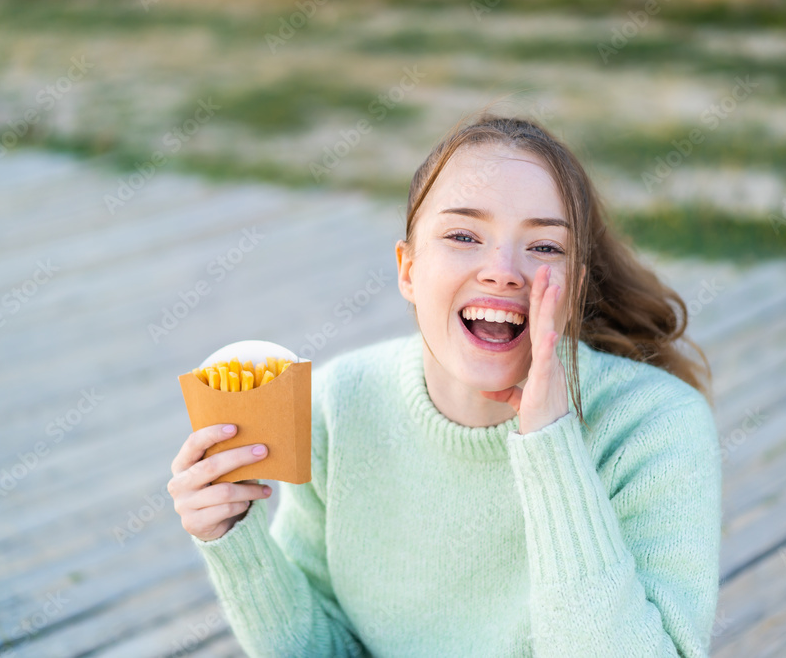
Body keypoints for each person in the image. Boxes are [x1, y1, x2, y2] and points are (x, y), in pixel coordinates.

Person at [168, 112, 723, 657]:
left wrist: (553, 447)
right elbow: (324, 649)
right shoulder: (340, 404)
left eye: (545, 247)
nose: (502, 269)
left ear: (574, 285)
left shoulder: (655, 424)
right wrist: (233, 540)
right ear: (408, 270)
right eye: (463, 235)